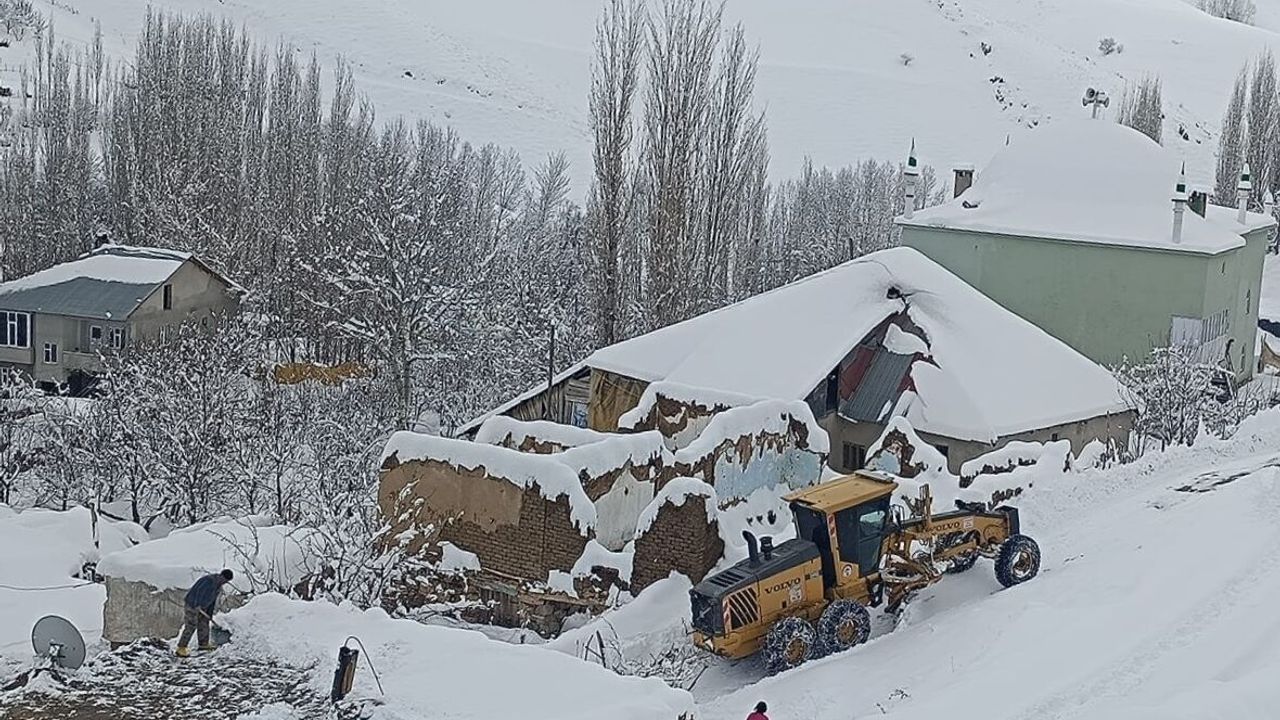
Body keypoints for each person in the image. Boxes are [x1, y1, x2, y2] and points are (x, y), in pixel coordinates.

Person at [175, 568, 233, 657]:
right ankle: (181, 647)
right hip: (192, 604)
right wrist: (196, 604)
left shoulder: (218, 587)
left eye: (226, 581)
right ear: (221, 576)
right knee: (191, 625)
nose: (225, 582)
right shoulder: (209, 580)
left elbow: (212, 601)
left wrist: (209, 614)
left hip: (203, 607)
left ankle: (203, 644)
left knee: (204, 623)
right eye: (225, 580)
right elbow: (198, 591)